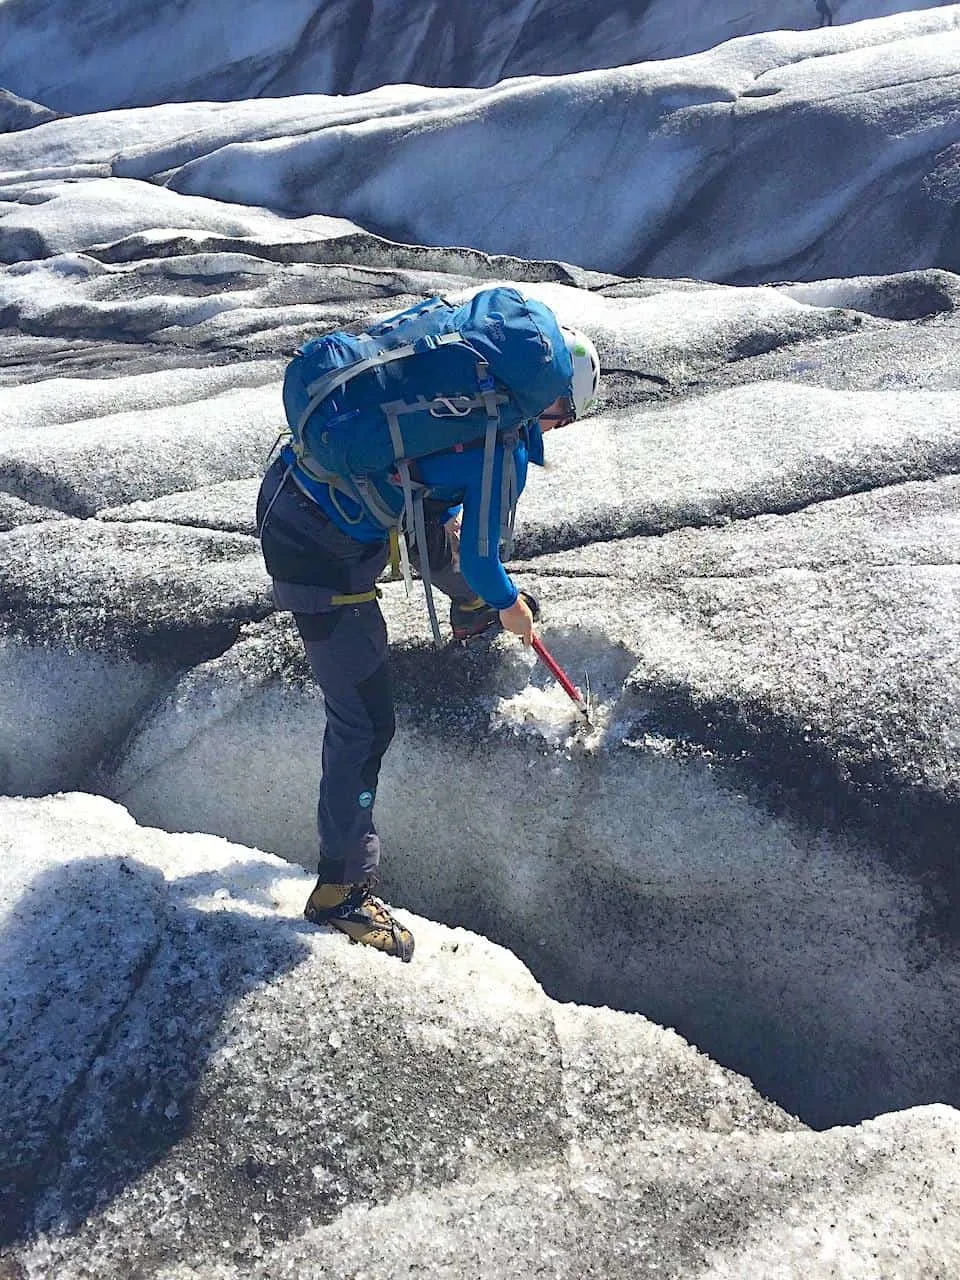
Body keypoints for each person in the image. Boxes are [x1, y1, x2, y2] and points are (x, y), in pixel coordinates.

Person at [256, 290, 601, 961]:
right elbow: (482, 553)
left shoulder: (466, 359)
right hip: (319, 552)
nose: (557, 428)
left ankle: (468, 608)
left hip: (293, 482)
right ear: (549, 401)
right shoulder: (502, 438)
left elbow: (432, 506)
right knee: (364, 722)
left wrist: (483, 596)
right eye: (563, 416)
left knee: (434, 513)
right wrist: (508, 604)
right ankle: (342, 895)